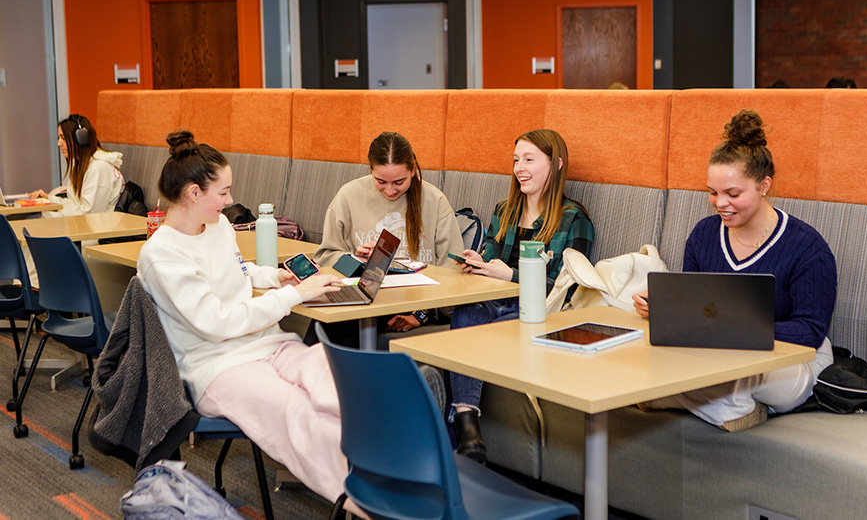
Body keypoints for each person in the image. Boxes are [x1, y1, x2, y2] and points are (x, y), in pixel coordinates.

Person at [136, 130, 363, 513]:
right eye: (223, 192)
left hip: (264, 342)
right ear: (194, 193)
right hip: (216, 365)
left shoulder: (219, 226)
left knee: (332, 373)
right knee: (296, 408)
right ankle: (363, 498)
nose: (229, 201)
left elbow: (237, 271)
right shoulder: (162, 256)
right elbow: (217, 322)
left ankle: (382, 451)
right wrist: (294, 296)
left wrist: (276, 277)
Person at [632, 109, 836, 432]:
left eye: (733, 194)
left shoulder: (808, 248)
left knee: (741, 374)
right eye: (713, 192)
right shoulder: (703, 235)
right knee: (651, 354)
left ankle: (676, 396)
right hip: (720, 351)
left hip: (794, 359)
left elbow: (810, 331)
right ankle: (732, 409)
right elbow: (695, 307)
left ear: (764, 185)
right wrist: (665, 308)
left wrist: (737, 330)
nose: (720, 203)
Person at [448, 129, 595, 462]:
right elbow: (491, 259)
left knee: (488, 329)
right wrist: (479, 265)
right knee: (466, 315)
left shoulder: (574, 219)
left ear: (556, 165)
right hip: (492, 301)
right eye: (516, 160)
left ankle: (459, 429)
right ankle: (467, 424)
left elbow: (566, 288)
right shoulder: (505, 209)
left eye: (529, 160)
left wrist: (511, 275)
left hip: (538, 311)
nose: (519, 168)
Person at [315, 131, 464, 333]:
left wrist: (423, 314)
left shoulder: (434, 201)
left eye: (399, 182)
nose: (390, 190)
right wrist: (354, 260)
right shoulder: (348, 196)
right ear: (370, 170)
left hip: (416, 307)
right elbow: (325, 257)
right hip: (362, 305)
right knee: (324, 332)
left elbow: (454, 271)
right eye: (381, 182)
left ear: (413, 170)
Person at [28, 114, 124, 217]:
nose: (59, 143)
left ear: (80, 139)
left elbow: (89, 214)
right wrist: (48, 199)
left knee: (36, 220)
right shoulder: (80, 165)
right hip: (81, 225)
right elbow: (73, 203)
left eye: (63, 138)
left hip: (97, 228)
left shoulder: (99, 168)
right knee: (33, 218)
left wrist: (55, 213)